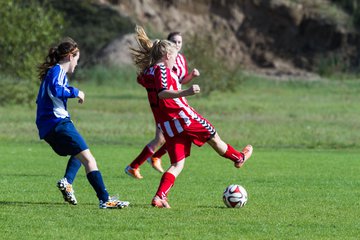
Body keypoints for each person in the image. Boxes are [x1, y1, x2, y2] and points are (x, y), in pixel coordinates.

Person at [129, 26, 253, 208]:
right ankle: (238, 158)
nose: (175, 61)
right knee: (215, 138)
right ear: (167, 56)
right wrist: (187, 91)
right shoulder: (162, 70)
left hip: (167, 124)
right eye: (174, 57)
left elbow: (145, 81)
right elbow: (163, 93)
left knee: (177, 164)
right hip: (184, 117)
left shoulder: (147, 73)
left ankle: (160, 197)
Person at [36, 37, 129, 209]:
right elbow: (56, 90)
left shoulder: (54, 72)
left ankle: (67, 182)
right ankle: (105, 199)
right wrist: (76, 91)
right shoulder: (57, 71)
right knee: (89, 159)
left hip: (49, 127)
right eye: (77, 60)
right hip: (58, 123)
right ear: (70, 56)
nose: (77, 64)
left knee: (79, 152)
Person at [124, 31, 200, 179]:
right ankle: (140, 163)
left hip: (175, 103)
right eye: (174, 41)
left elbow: (180, 81)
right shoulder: (159, 66)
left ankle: (142, 162)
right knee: (165, 137)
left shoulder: (180, 59)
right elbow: (151, 83)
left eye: (179, 42)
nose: (177, 44)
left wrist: (191, 76)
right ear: (167, 45)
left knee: (168, 137)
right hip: (166, 107)